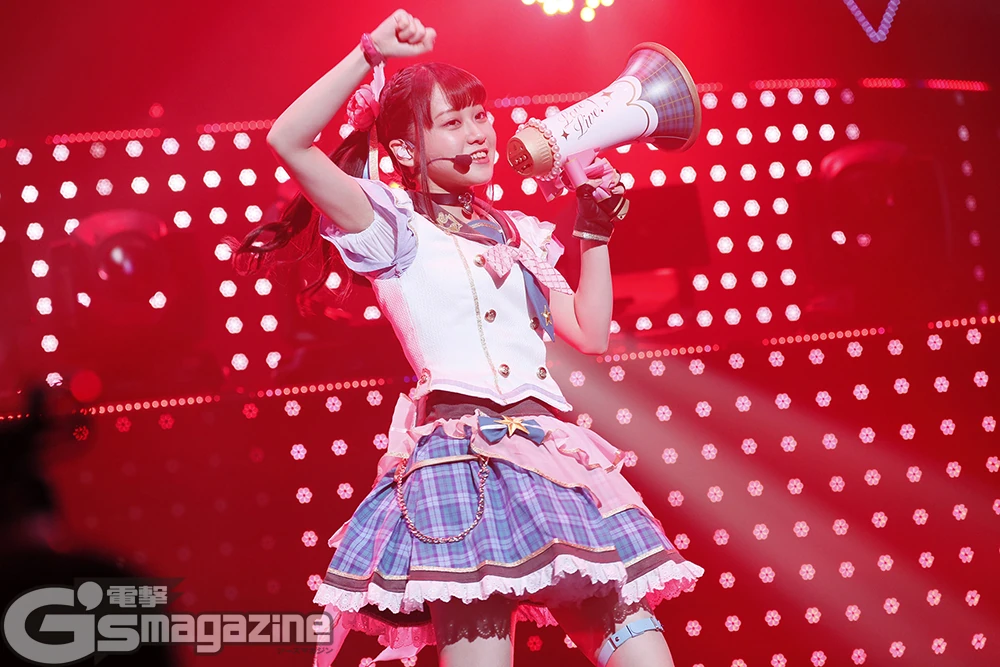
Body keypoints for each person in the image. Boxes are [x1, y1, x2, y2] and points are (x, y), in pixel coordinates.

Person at [232, 9, 705, 667]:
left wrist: (593, 230)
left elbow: (589, 331)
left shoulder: (518, 230)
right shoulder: (391, 224)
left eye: (480, 115)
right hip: (460, 464)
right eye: (452, 122)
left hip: (552, 457)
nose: (479, 133)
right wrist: (369, 53)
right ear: (406, 151)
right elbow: (288, 140)